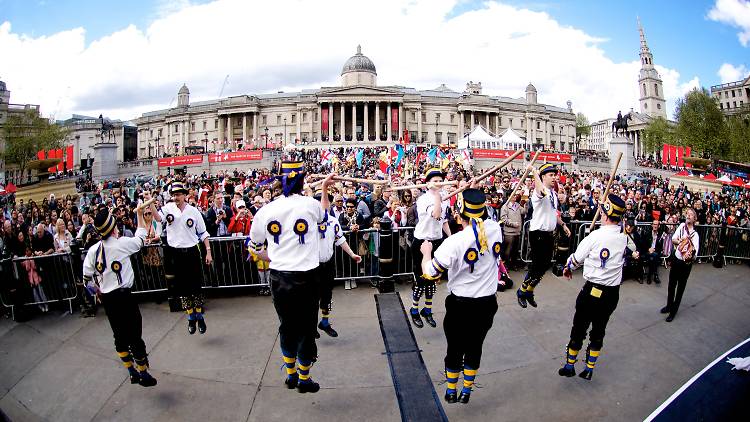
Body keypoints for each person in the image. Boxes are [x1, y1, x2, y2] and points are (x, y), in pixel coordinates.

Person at [248, 161, 332, 394]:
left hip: (279, 276)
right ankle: (304, 378)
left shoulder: (265, 211)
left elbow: (253, 247)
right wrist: (323, 188)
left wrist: (273, 256)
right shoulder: (311, 205)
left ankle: (291, 375)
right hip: (307, 276)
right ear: (302, 181)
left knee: (287, 325)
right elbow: (325, 219)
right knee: (306, 327)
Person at [420, 188, 501, 404]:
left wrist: (426, 253)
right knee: (475, 346)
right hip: (486, 304)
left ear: (459, 215)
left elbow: (430, 273)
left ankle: (451, 390)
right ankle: (466, 391)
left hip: (461, 306)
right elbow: (487, 221)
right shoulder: (495, 229)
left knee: (454, 348)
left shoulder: (455, 242)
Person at [559, 194, 637, 380]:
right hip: (612, 294)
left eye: (602, 210)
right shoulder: (624, 237)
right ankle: (589, 369)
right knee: (599, 330)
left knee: (579, 328)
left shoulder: (595, 236)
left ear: (604, 214)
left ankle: (570, 365)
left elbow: (576, 259)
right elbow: (633, 249)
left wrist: (568, 268)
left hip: (592, 291)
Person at [82, 205, 157, 387]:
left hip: (108, 300)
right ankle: (143, 374)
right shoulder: (121, 244)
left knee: (119, 336)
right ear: (113, 228)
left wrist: (97, 292)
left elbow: (86, 280)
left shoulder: (93, 251)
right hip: (124, 297)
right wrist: (139, 215)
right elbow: (140, 238)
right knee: (134, 336)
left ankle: (131, 371)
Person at [160, 182, 213, 335]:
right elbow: (158, 219)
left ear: (184, 195)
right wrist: (149, 202)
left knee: (196, 286)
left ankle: (200, 317)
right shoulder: (167, 209)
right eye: (173, 194)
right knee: (183, 288)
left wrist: (208, 252)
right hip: (176, 253)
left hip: (192, 252)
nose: (176, 197)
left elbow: (203, 233)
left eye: (178, 194)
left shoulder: (193, 211)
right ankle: (191, 317)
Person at [517, 164, 571, 308]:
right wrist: (534, 171)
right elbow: (540, 189)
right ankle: (522, 291)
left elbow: (553, 212)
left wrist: (563, 224)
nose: (554, 177)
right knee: (536, 266)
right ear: (543, 177)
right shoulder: (538, 192)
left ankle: (529, 290)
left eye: (555, 175)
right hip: (538, 233)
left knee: (545, 265)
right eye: (551, 175)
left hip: (548, 234)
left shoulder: (553, 193)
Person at [314, 186, 361, 338]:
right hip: (312, 266)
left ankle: (325, 322)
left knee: (327, 295)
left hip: (328, 264)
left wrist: (353, 254)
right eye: (322, 203)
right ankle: (310, 325)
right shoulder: (307, 223)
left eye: (326, 202)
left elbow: (340, 240)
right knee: (312, 297)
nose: (325, 205)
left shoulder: (333, 221)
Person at [410, 168, 451, 328]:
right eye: (435, 181)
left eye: (440, 180)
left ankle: (427, 310)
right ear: (428, 184)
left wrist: (450, 236)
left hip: (437, 241)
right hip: (422, 242)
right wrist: (437, 198)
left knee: (433, 280)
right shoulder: (423, 200)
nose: (439, 183)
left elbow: (443, 220)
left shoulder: (444, 199)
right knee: (421, 280)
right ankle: (414, 310)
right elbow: (435, 214)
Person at [662, 208, 699, 322]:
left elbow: (695, 254)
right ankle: (668, 305)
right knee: (671, 285)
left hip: (685, 264)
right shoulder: (681, 226)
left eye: (690, 215)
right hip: (676, 260)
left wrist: (688, 248)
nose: (688, 216)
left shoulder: (695, 235)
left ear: (694, 219)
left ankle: (673, 311)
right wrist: (682, 242)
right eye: (687, 214)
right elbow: (673, 239)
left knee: (680, 288)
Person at [500, 192, 525, 270]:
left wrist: (526, 204)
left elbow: (524, 211)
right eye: (513, 195)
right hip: (509, 232)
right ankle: (506, 266)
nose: (514, 196)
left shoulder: (517, 205)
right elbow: (503, 219)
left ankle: (513, 265)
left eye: (515, 195)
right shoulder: (505, 206)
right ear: (508, 196)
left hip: (517, 231)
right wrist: (513, 224)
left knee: (515, 250)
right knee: (508, 250)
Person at [642, 220, 664, 284]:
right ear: (652, 225)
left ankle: (649, 276)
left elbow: (660, 247)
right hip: (647, 252)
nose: (655, 226)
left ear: (658, 226)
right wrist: (649, 249)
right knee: (653, 256)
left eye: (656, 224)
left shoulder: (660, 235)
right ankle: (655, 275)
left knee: (653, 257)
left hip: (655, 252)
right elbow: (643, 245)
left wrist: (654, 249)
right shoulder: (647, 233)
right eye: (654, 224)